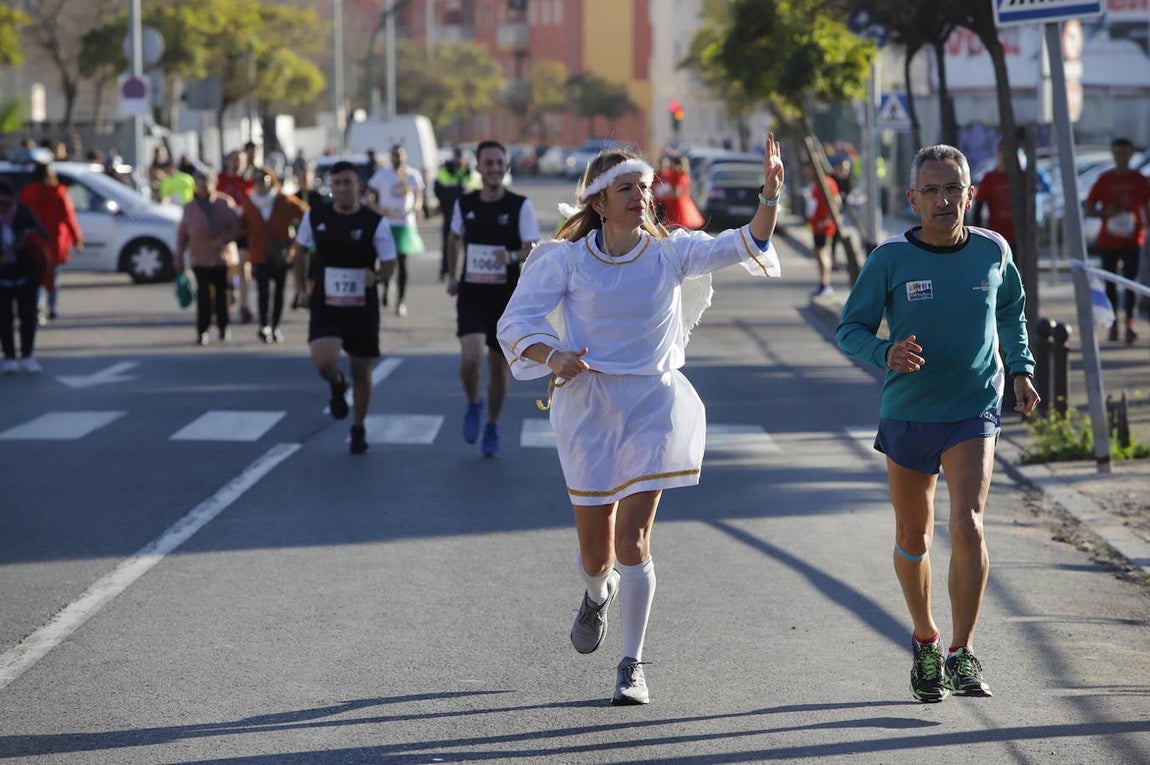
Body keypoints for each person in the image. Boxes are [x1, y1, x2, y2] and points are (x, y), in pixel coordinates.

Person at [496, 134, 784, 705]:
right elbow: (516, 322)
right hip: (589, 407)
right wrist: (553, 356)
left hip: (654, 404)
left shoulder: (671, 252)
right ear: (599, 202)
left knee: (633, 541)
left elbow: (746, 241)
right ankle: (595, 592)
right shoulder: (567, 260)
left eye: (645, 187)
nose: (640, 197)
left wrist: (769, 197)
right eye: (626, 188)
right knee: (596, 555)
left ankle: (631, 664)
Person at [835, 144, 1041, 704]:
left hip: (973, 407)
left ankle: (962, 650)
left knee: (968, 524)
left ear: (970, 195)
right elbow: (849, 330)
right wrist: (885, 353)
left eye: (953, 188)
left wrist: (1021, 370)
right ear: (913, 199)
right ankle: (926, 640)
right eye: (931, 190)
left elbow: (1011, 311)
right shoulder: (889, 259)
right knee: (913, 534)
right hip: (909, 410)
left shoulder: (993, 250)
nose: (943, 200)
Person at [291, 161, 396, 455]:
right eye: (336, 184)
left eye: (347, 183)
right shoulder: (315, 216)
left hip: (362, 307)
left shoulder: (375, 222)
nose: (342, 189)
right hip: (326, 303)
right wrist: (301, 290)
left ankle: (358, 428)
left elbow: (389, 264)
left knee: (361, 371)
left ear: (358, 186)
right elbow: (299, 253)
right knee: (324, 361)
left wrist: (377, 277)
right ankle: (337, 383)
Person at [445, 140, 541, 458]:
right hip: (472, 291)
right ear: (478, 167)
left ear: (506, 167)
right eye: (488, 163)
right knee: (471, 359)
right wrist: (451, 275)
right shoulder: (465, 203)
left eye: (499, 163)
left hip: (505, 295)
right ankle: (474, 402)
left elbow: (532, 247)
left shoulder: (519, 205)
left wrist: (510, 255)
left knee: (498, 367)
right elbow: (453, 238)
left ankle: (492, 425)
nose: (494, 168)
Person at [1085, 137, 1150, 344]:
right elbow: (1088, 209)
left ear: (1131, 155)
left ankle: (1130, 324)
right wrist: (1106, 213)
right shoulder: (1104, 180)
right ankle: (1113, 326)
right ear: (1113, 155)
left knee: (1130, 283)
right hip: (1108, 241)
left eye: (1125, 153)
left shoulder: (1140, 180)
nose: (1121, 157)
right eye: (1118, 153)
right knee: (1111, 284)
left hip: (1133, 240)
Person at [174, 169, 243, 346]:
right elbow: (182, 234)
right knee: (203, 296)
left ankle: (223, 327)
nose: (204, 186)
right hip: (200, 258)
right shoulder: (190, 207)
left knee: (222, 295)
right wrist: (179, 255)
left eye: (207, 182)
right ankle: (202, 330)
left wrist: (223, 240)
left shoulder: (224, 202)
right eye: (200, 182)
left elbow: (237, 226)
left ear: (214, 183)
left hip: (222, 259)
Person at [241, 167, 308, 343]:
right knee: (262, 290)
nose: (261, 184)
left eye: (264, 180)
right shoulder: (249, 202)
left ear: (271, 181)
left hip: (280, 253)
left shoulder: (283, 200)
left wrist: (298, 237)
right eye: (257, 181)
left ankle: (275, 325)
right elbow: (242, 225)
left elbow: (306, 214)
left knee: (279, 291)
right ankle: (264, 325)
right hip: (259, 253)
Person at [17, 162, 82, 323]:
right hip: (54, 241)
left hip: (33, 241)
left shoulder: (27, 192)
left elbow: (21, 217)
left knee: (35, 277)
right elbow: (69, 218)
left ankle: (37, 307)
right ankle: (52, 308)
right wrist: (77, 239)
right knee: (52, 277)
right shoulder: (59, 192)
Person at [369, 144, 426, 317]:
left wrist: (416, 207)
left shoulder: (412, 175)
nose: (398, 158)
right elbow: (369, 196)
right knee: (387, 260)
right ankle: (386, 286)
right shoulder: (382, 174)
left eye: (400, 154)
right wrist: (379, 210)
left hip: (404, 224)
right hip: (387, 224)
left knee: (402, 262)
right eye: (395, 154)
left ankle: (400, 301)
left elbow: (418, 196)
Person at [0, 179, 48, 375]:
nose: (3, 208)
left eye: (5, 203)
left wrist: (26, 239)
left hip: (26, 275)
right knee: (4, 319)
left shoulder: (23, 213)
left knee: (27, 316)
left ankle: (27, 355)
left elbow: (43, 236)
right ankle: (9, 357)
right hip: (2, 277)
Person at [218, 150, 255, 324]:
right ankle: (230, 290)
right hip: (225, 230)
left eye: (240, 161)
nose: (237, 164)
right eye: (234, 160)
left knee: (243, 266)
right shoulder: (221, 180)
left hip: (244, 231)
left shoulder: (249, 182)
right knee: (229, 266)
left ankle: (244, 305)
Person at [433, 148, 480, 281]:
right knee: (448, 243)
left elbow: (478, 191)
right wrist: (444, 203)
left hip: (469, 215)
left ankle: (468, 270)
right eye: (457, 157)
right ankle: (445, 270)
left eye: (461, 158)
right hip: (450, 213)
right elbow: (437, 189)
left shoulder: (471, 173)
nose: (459, 160)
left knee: (468, 245)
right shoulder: (444, 171)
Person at [803, 163, 839, 298]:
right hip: (816, 226)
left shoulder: (827, 183)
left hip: (824, 226)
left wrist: (827, 220)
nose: (807, 174)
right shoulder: (816, 184)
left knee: (822, 252)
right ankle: (822, 283)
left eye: (809, 171)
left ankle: (826, 284)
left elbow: (835, 202)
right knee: (818, 252)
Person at [971, 144, 1015, 250]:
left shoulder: (1021, 177)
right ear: (997, 154)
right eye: (1002, 153)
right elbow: (978, 207)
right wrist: (978, 234)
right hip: (996, 236)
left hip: (1017, 237)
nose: (1004, 157)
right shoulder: (989, 178)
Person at [652, 154, 704, 230]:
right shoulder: (684, 175)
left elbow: (676, 192)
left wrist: (663, 195)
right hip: (682, 202)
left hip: (677, 204)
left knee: (675, 225)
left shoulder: (677, 175)